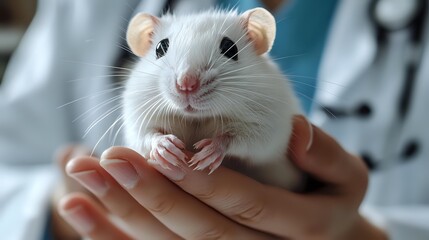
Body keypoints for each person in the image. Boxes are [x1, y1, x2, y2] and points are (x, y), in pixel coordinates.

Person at [0, 0, 427, 239]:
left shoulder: (268, 86)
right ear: (146, 40)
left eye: (227, 51)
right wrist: (62, 216)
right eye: (162, 51)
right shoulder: (137, 79)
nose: (186, 83)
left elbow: (270, 139)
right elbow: (10, 164)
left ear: (255, 39)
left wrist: (369, 237)